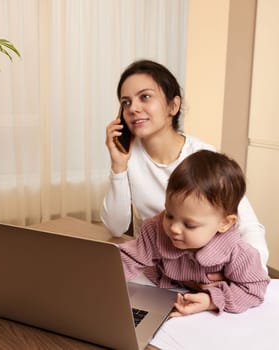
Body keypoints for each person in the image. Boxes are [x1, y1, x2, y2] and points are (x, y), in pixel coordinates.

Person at [100, 59, 269, 270]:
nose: (133, 108)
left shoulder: (202, 156)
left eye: (145, 97)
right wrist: (118, 166)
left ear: (173, 105)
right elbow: (116, 228)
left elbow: (249, 226)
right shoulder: (128, 156)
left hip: (204, 271)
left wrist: (247, 273)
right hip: (159, 269)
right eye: (126, 102)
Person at [119, 150, 270, 315]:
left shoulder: (237, 252)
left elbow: (254, 289)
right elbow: (127, 259)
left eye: (189, 225)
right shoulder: (156, 230)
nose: (174, 229)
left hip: (206, 316)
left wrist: (211, 301)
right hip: (160, 295)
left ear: (225, 223)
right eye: (169, 215)